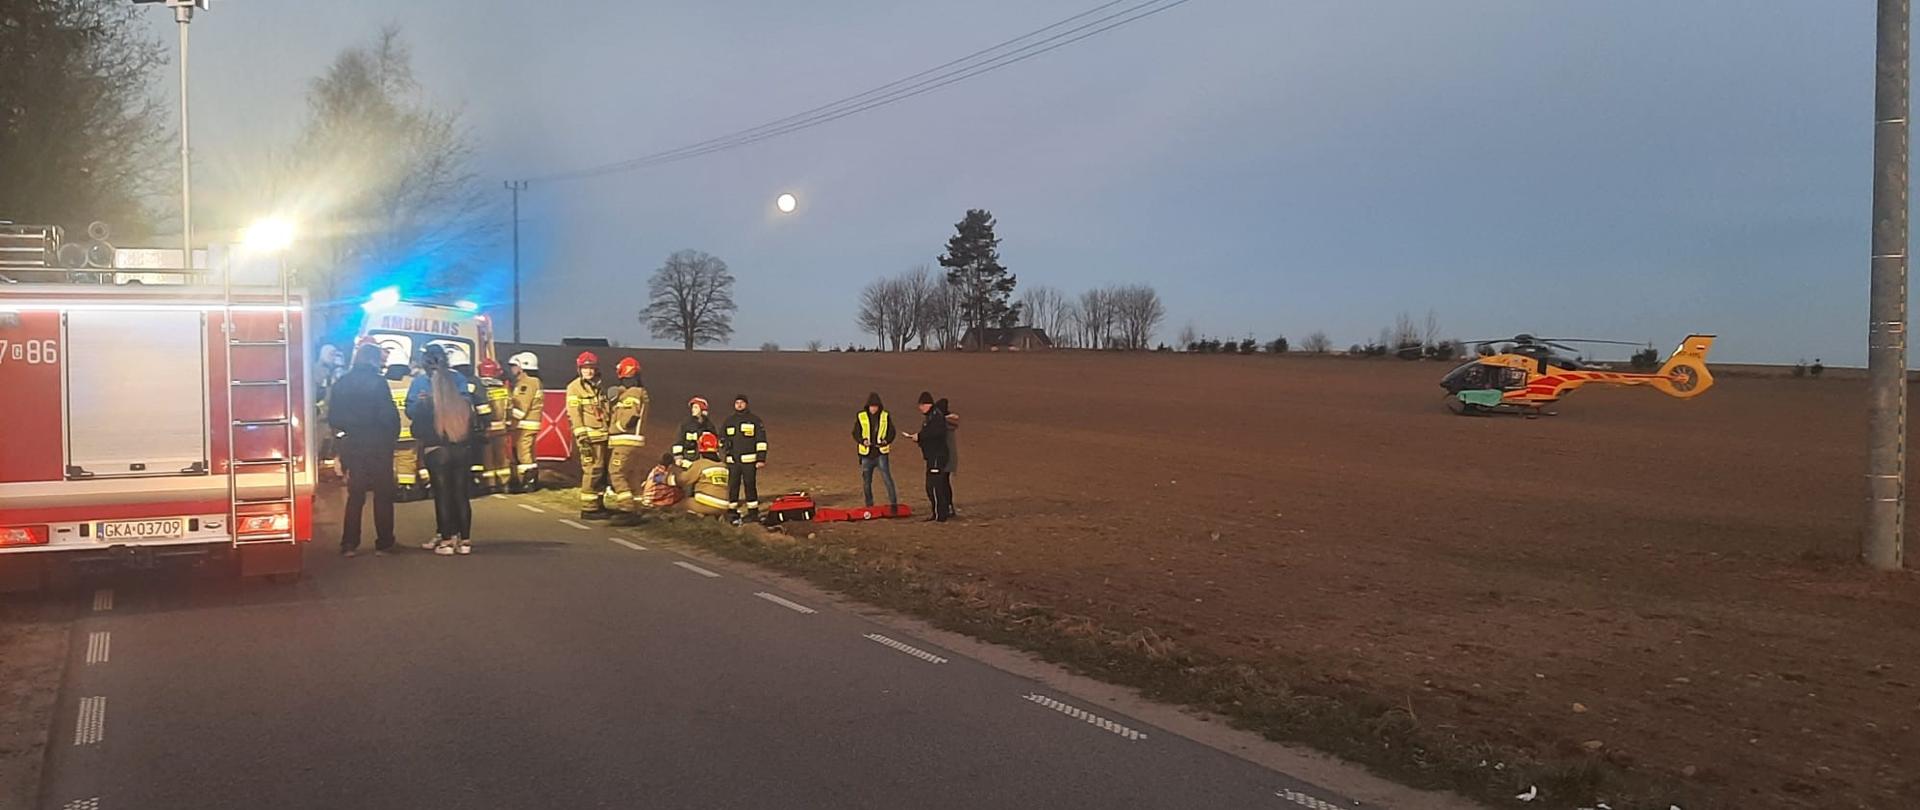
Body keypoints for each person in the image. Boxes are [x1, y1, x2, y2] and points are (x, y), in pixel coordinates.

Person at [327, 343, 401, 556]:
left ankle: (349, 543)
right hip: (378, 444)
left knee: (355, 495)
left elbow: (333, 418)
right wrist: (390, 438)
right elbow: (388, 416)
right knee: (383, 494)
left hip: (353, 444)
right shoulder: (378, 383)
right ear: (373, 359)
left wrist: (344, 438)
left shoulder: (341, 383)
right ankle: (385, 542)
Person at [406, 345, 479, 555]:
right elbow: (469, 408)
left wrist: (423, 407)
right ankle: (464, 541)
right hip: (461, 445)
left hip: (436, 448)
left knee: (442, 495)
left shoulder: (421, 384)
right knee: (460, 494)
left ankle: (446, 539)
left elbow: (412, 413)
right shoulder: (458, 380)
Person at [565, 351, 613, 520]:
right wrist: (581, 436)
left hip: (602, 436)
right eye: (585, 368)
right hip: (588, 438)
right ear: (579, 369)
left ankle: (599, 504)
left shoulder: (599, 386)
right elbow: (574, 414)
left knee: (600, 472)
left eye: (591, 368)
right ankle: (589, 508)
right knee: (592, 470)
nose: (589, 371)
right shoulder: (574, 387)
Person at [606, 357, 651, 525]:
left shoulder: (632, 394)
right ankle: (637, 507)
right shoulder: (637, 392)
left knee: (616, 472)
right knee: (630, 474)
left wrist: (616, 427)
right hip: (633, 441)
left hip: (625, 441)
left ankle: (626, 508)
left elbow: (630, 417)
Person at [903, 391, 953, 522]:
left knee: (934, 486)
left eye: (921, 405)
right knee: (935, 485)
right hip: (933, 456)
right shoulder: (932, 416)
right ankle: (941, 512)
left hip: (936, 456)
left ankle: (939, 515)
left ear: (926, 404)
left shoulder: (935, 417)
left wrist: (919, 437)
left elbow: (935, 433)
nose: (920, 408)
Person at [721, 394, 768, 526]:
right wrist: (725, 448)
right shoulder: (729, 421)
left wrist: (761, 458)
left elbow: (761, 441)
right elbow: (722, 438)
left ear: (746, 404)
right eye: (737, 403)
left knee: (750, 485)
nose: (739, 405)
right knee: (733, 486)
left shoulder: (754, 421)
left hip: (749, 461)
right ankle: (732, 511)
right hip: (733, 461)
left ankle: (753, 512)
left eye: (742, 402)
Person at [852, 392, 899, 511]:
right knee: (867, 482)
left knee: (887, 479)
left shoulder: (885, 416)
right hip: (866, 454)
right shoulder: (861, 416)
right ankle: (869, 505)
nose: (873, 409)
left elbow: (892, 432)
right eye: (871, 406)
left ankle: (893, 504)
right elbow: (855, 432)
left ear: (879, 406)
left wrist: (886, 441)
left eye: (875, 406)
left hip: (881, 453)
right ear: (868, 406)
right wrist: (863, 441)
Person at [506, 352, 543, 492]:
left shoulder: (528, 383)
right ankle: (525, 480)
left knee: (524, 453)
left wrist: (509, 421)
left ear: (522, 366)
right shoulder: (527, 382)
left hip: (524, 425)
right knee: (524, 453)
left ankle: (528, 482)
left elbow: (521, 408)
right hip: (525, 424)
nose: (512, 369)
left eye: (514, 366)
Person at [683, 433, 731, 517]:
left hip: (709, 503)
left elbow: (683, 479)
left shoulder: (701, 464)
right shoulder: (723, 465)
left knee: (683, 503)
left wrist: (666, 478)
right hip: (725, 504)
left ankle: (696, 521)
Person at [672, 397, 717, 469]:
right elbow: (679, 441)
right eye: (693, 407)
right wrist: (678, 457)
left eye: (696, 407)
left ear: (702, 409)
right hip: (689, 460)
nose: (693, 410)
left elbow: (714, 443)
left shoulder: (709, 426)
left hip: (705, 460)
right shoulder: (686, 424)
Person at [937, 397, 961, 516]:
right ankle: (949, 506)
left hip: (944, 457)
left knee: (942, 483)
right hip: (950, 458)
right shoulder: (950, 424)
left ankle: (946, 507)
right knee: (945, 482)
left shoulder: (942, 424)